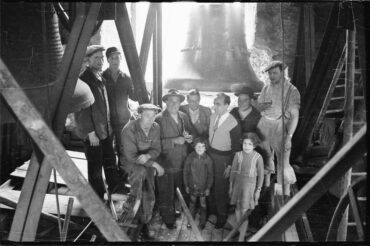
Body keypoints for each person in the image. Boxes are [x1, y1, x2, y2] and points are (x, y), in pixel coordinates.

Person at [74, 45, 120, 199]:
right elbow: (81, 111)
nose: (100, 61)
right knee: (95, 165)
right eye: (96, 58)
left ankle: (114, 189)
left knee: (109, 159)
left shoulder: (100, 78)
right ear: (87, 61)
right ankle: (97, 196)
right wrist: (90, 133)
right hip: (94, 133)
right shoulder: (83, 80)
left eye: (101, 57)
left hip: (105, 129)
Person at [256, 61, 300, 197]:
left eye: (275, 73)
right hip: (264, 124)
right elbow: (259, 107)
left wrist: (289, 136)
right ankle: (266, 188)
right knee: (266, 157)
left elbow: (295, 116)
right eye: (270, 73)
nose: (271, 76)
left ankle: (285, 194)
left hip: (280, 126)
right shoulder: (266, 88)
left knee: (283, 161)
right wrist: (261, 106)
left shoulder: (291, 91)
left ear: (283, 72)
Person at [120, 103, 164, 241]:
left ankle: (146, 220)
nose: (151, 120)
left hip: (147, 160)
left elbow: (157, 149)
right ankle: (131, 208)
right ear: (139, 115)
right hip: (130, 161)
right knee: (139, 174)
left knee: (149, 187)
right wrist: (155, 164)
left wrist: (149, 157)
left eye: (153, 116)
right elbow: (132, 157)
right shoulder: (129, 129)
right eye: (147, 116)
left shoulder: (156, 127)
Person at [155, 89, 194, 229]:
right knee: (166, 192)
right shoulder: (158, 119)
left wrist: (190, 138)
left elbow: (190, 134)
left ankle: (171, 212)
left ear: (180, 103)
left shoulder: (183, 116)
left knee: (177, 190)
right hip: (166, 162)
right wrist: (174, 140)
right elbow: (154, 144)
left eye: (176, 101)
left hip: (181, 162)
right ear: (165, 102)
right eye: (170, 100)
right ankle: (168, 220)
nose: (173, 103)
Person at [102, 47, 137, 179]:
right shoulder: (102, 78)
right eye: (112, 58)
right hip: (108, 120)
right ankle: (112, 178)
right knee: (109, 150)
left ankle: (123, 176)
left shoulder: (126, 78)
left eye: (117, 58)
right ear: (108, 60)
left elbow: (134, 96)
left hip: (123, 120)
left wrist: (141, 87)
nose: (115, 60)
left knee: (123, 148)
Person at [208, 93, 241, 228]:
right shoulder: (213, 116)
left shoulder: (233, 123)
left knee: (221, 188)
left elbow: (236, 147)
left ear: (227, 106)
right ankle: (212, 211)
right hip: (210, 155)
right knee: (210, 183)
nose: (215, 106)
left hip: (224, 159)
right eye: (214, 103)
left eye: (218, 104)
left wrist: (229, 165)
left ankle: (222, 217)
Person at [230, 85, 273, 187]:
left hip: (250, 150)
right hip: (234, 149)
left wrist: (268, 162)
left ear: (251, 100)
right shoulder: (233, 112)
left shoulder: (257, 115)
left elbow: (264, 140)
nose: (241, 102)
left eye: (245, 100)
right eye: (239, 100)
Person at [229, 132, 264, 241]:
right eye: (245, 143)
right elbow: (233, 172)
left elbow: (261, 175)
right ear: (242, 144)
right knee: (238, 210)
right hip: (237, 186)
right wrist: (230, 186)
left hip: (249, 188)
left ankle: (241, 237)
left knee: (244, 212)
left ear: (254, 145)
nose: (247, 146)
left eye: (250, 144)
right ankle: (240, 231)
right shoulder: (238, 155)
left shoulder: (258, 157)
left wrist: (258, 190)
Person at [183, 137, 213, 230]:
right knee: (192, 203)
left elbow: (210, 175)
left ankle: (202, 222)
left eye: (202, 147)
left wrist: (208, 187)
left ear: (205, 148)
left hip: (203, 188)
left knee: (203, 205)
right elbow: (185, 172)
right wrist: (186, 185)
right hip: (192, 187)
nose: (200, 149)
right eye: (198, 146)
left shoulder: (208, 159)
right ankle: (191, 221)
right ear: (194, 147)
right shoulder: (190, 157)